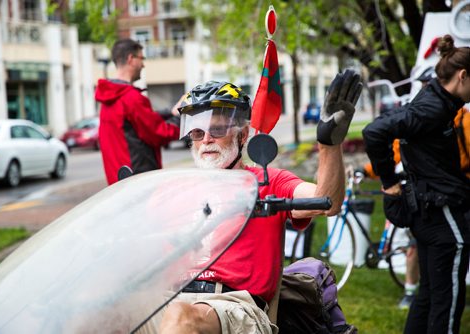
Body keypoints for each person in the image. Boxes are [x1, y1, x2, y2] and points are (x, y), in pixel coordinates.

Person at [154, 71, 362, 333]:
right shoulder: (178, 190)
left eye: (217, 129)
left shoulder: (265, 182)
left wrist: (328, 143)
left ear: (242, 136)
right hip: (171, 299)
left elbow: (326, 201)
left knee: (180, 318)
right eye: (197, 132)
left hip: (234, 306)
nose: (206, 139)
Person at [362, 35, 470, 334]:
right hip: (442, 214)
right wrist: (389, 182)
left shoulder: (436, 98)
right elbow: (375, 132)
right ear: (463, 76)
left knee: (429, 295)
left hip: (429, 211)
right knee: (447, 301)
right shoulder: (432, 107)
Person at [95, 39, 181, 185]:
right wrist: (182, 117)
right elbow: (159, 133)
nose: (143, 64)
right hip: (139, 182)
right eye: (141, 58)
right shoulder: (131, 98)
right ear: (131, 59)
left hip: (118, 183)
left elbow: (139, 122)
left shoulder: (109, 98)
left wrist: (171, 112)